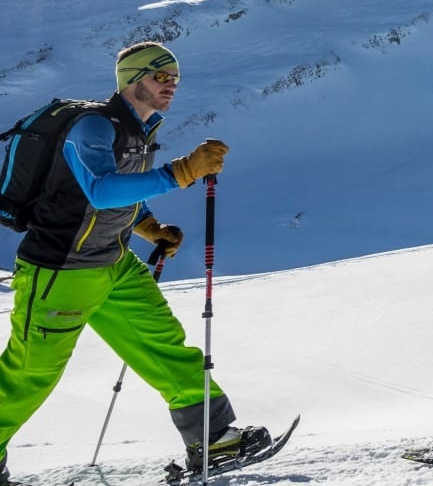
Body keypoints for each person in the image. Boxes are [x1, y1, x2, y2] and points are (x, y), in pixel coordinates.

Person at [0, 42, 269, 483]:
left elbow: (115, 197)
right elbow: (100, 191)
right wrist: (180, 172)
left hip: (114, 264)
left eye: (175, 77)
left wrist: (149, 228)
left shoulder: (137, 129)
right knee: (29, 373)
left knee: (164, 346)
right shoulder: (91, 127)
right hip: (60, 271)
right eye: (161, 76)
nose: (172, 85)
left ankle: (215, 439)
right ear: (133, 79)